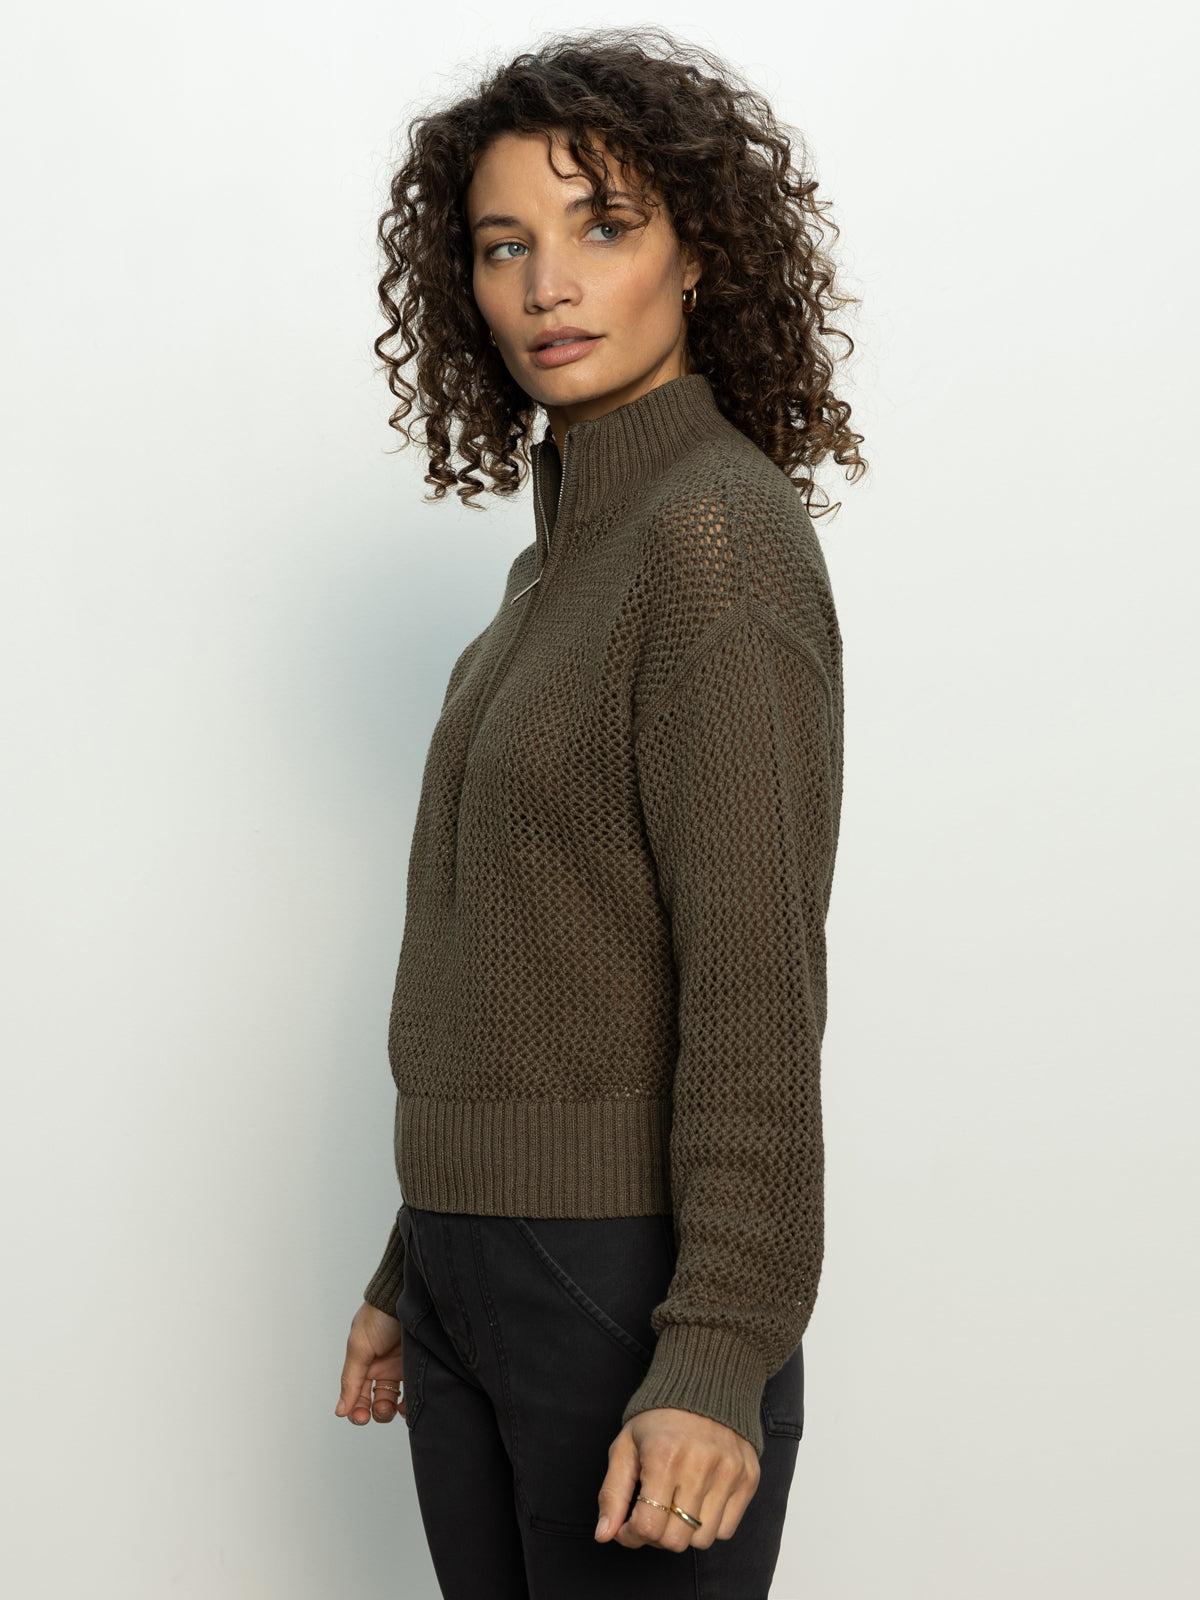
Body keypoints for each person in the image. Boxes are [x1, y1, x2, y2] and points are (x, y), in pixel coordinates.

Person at [335, 25, 865, 1598]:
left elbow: (758, 987)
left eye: (604, 226)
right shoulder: (544, 583)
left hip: (620, 1278)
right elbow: (516, 964)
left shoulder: (714, 545)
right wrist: (410, 1258)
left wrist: (716, 1351)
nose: (547, 284)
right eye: (507, 246)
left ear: (698, 252)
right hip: (471, 1267)